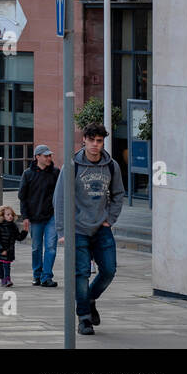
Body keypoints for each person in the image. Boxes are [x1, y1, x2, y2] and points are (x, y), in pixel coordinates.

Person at [53, 122, 125, 335]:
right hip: (78, 229)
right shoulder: (72, 166)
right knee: (81, 273)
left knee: (109, 270)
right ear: (84, 140)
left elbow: (119, 194)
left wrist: (110, 219)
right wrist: (62, 231)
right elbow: (60, 198)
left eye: (99, 141)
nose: (95, 145)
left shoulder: (111, 166)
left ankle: (90, 299)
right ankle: (84, 318)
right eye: (91, 140)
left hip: (102, 227)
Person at [18, 145, 59, 287]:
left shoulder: (55, 173)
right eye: (46, 156)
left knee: (51, 247)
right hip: (34, 217)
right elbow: (22, 197)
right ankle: (37, 275)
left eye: (50, 155)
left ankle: (46, 277)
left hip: (52, 217)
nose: (49, 158)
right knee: (36, 247)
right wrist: (25, 217)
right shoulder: (28, 174)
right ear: (37, 157)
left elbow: (61, 194)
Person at [0, 205, 27, 287]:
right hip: (0, 250)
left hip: (9, 250)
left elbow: (18, 237)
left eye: (11, 214)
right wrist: (1, 249)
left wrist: (25, 231)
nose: (10, 216)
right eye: (8, 215)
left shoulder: (13, 226)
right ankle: (3, 279)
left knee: (7, 265)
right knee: (0, 265)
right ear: (2, 216)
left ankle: (7, 279)